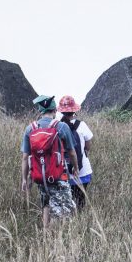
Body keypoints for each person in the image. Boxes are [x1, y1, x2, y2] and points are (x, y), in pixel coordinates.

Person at [21, 94, 80, 227]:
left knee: (46, 204)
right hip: (59, 174)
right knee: (64, 209)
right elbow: (71, 152)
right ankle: (60, 238)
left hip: (40, 175)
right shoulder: (61, 127)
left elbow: (25, 157)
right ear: (55, 110)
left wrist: (24, 179)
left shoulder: (30, 128)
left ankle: (46, 237)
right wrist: (75, 168)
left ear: (40, 111)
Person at [58, 95, 94, 209]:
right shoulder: (82, 125)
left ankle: (69, 222)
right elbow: (88, 145)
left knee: (67, 200)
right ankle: (80, 219)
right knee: (80, 199)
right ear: (74, 110)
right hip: (82, 169)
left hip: (63, 170)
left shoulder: (58, 126)